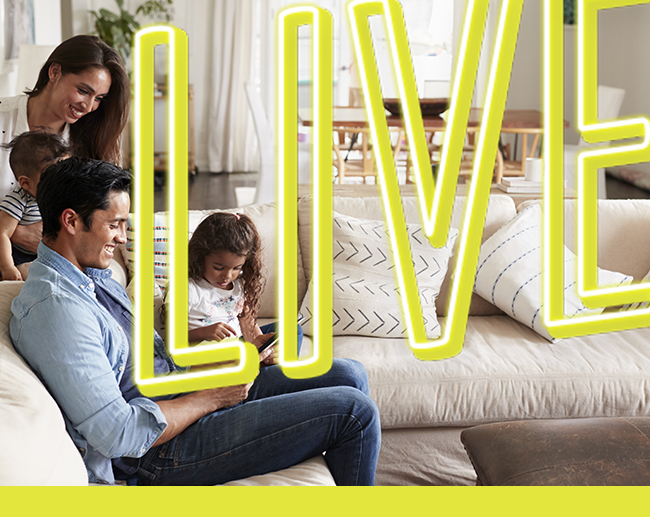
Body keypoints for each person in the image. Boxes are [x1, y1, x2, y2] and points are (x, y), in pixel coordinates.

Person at [9, 158, 380, 486]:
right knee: (355, 412)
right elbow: (117, 434)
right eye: (116, 225)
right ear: (71, 221)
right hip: (158, 452)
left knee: (350, 374)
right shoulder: (58, 311)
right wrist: (210, 397)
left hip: (179, 393)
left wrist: (217, 364)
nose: (122, 238)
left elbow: (154, 361)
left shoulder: (94, 276)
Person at [0, 35, 130, 256]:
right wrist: (17, 233)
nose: (89, 106)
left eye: (99, 98)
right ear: (55, 72)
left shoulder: (91, 140)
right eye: (83, 91)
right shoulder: (4, 117)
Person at [171, 211, 303, 359]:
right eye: (218, 267)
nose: (227, 276)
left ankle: (265, 371)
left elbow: (250, 329)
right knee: (333, 372)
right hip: (213, 358)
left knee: (293, 330)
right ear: (200, 256)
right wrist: (204, 332)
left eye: (236, 268)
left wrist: (263, 350)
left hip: (241, 350)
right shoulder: (189, 289)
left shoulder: (238, 285)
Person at [0, 131, 69, 280]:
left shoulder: (62, 196)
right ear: (25, 182)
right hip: (20, 256)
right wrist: (7, 267)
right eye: (52, 178)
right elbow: (2, 234)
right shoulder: (18, 200)